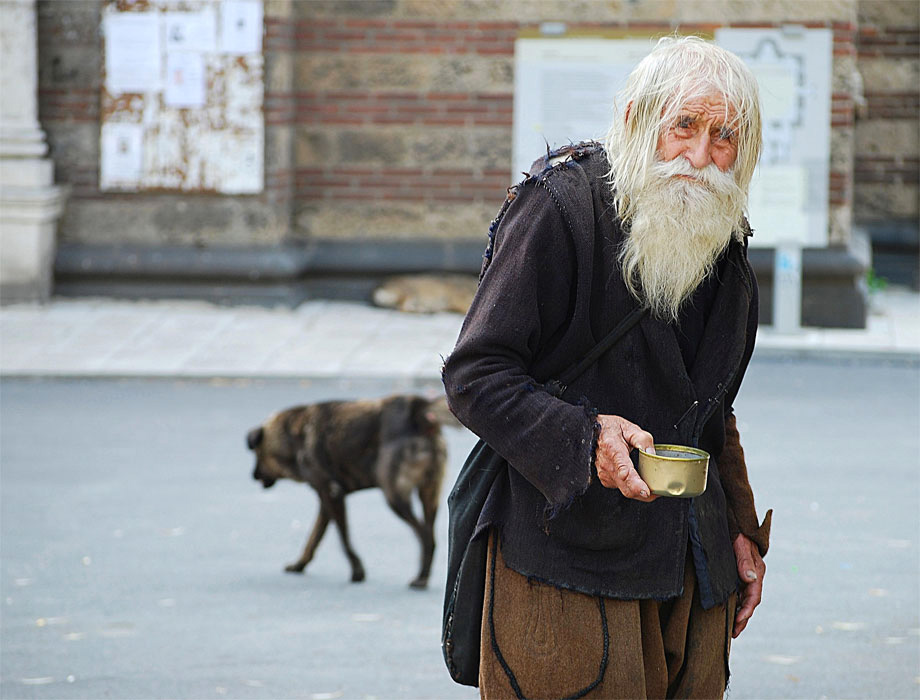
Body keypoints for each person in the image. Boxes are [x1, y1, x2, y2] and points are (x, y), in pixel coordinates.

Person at [442, 36, 773, 699]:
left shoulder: (722, 235)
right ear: (634, 121)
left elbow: (710, 407)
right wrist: (586, 437)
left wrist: (738, 529)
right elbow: (476, 376)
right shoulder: (560, 207)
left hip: (690, 569)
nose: (700, 158)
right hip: (566, 569)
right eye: (683, 126)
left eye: (724, 137)